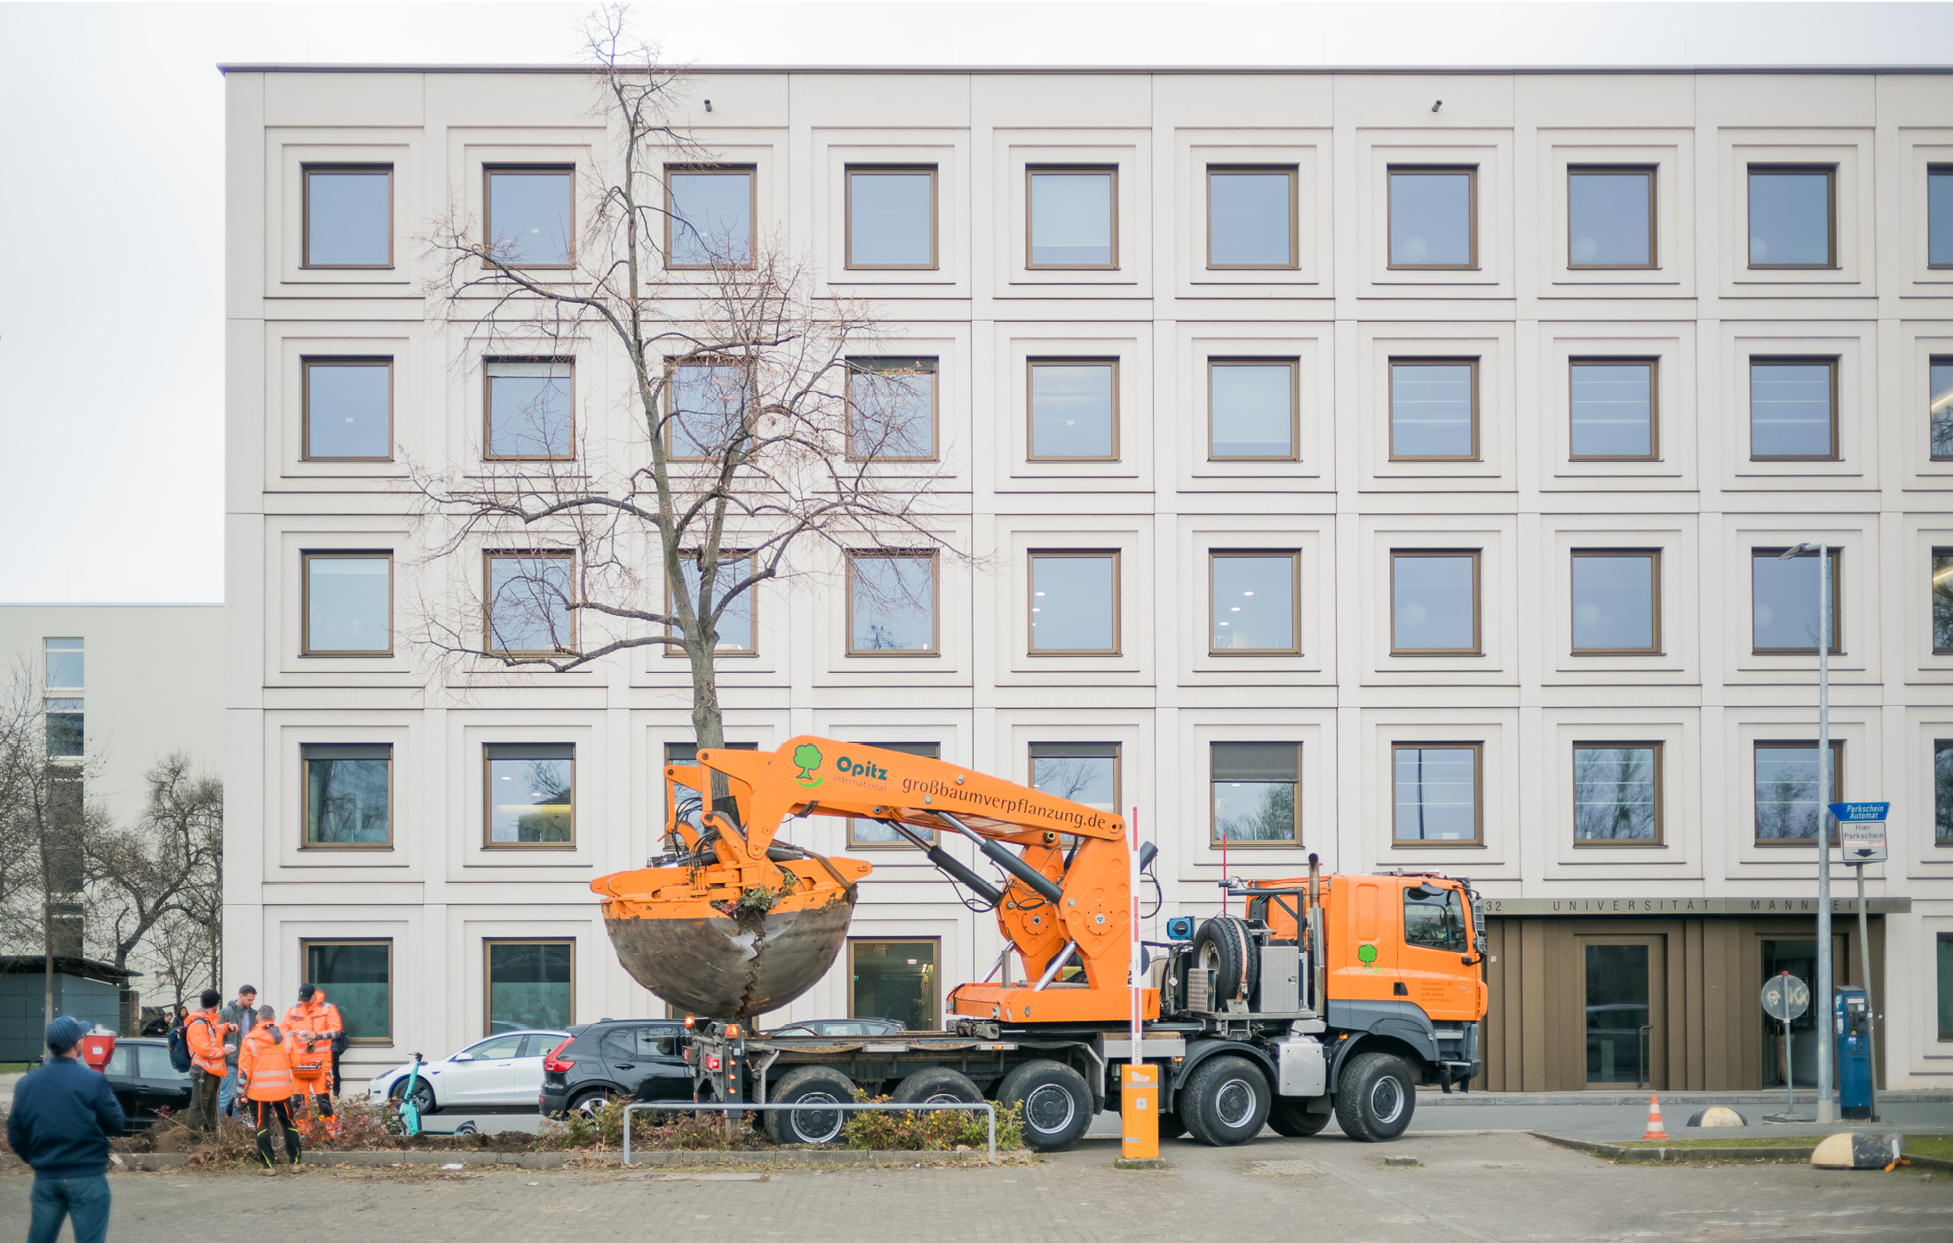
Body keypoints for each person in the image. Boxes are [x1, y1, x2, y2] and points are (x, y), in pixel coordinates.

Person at [8, 1016, 125, 1243]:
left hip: (46, 1176)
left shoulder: (26, 1083)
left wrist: (36, 1159)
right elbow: (116, 1122)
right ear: (76, 1043)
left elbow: (15, 1133)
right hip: (87, 1175)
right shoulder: (92, 1080)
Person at [238, 1005, 300, 1167]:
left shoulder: (250, 1039)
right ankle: (295, 1163)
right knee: (289, 1123)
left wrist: (240, 1094)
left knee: (261, 1125)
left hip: (258, 1093)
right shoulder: (286, 1036)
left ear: (257, 1018)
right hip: (282, 1091)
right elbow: (295, 1062)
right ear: (273, 1018)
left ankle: (268, 1166)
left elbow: (244, 1072)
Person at [283, 983, 342, 1118]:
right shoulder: (292, 1010)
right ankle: (303, 1135)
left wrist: (317, 1035)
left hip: (320, 1063)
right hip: (299, 1063)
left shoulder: (328, 1009)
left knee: (324, 1101)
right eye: (302, 999)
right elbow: (282, 1031)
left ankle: (329, 1135)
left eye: (307, 999)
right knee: (298, 1103)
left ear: (315, 995)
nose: (304, 1002)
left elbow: (336, 1031)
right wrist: (288, 1033)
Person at [183, 989, 236, 1133]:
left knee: (210, 1108)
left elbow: (213, 1032)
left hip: (210, 1071)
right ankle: (195, 1142)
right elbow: (203, 1050)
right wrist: (223, 1051)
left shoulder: (207, 1020)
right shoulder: (199, 1023)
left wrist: (227, 1027)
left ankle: (210, 1140)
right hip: (203, 1071)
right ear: (216, 1004)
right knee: (199, 1107)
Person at [218, 984, 260, 1117]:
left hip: (248, 1062)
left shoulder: (254, 1014)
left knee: (242, 1096)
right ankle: (219, 1127)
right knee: (227, 1095)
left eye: (253, 1000)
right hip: (231, 1061)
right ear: (240, 996)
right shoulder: (225, 1013)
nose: (251, 1003)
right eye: (249, 1000)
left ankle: (236, 1128)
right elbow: (215, 1033)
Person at [165, 1005, 191, 1073]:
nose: (184, 1012)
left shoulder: (188, 1018)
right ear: (180, 1012)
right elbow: (174, 1029)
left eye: (185, 1011)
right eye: (183, 1011)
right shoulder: (177, 1019)